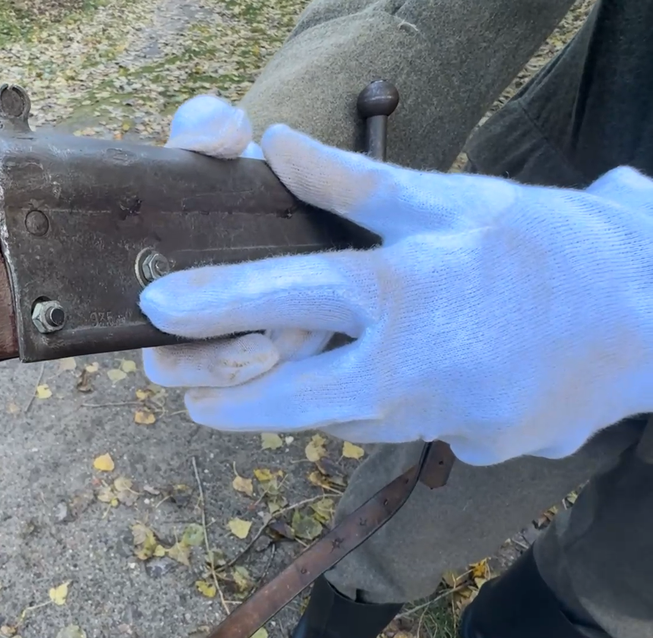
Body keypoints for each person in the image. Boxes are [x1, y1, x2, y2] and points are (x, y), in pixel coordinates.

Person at [137, 1, 653, 637]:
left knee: (615, 595)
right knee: (405, 528)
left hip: (549, 287)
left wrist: (635, 293)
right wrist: (271, 198)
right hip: (527, 251)